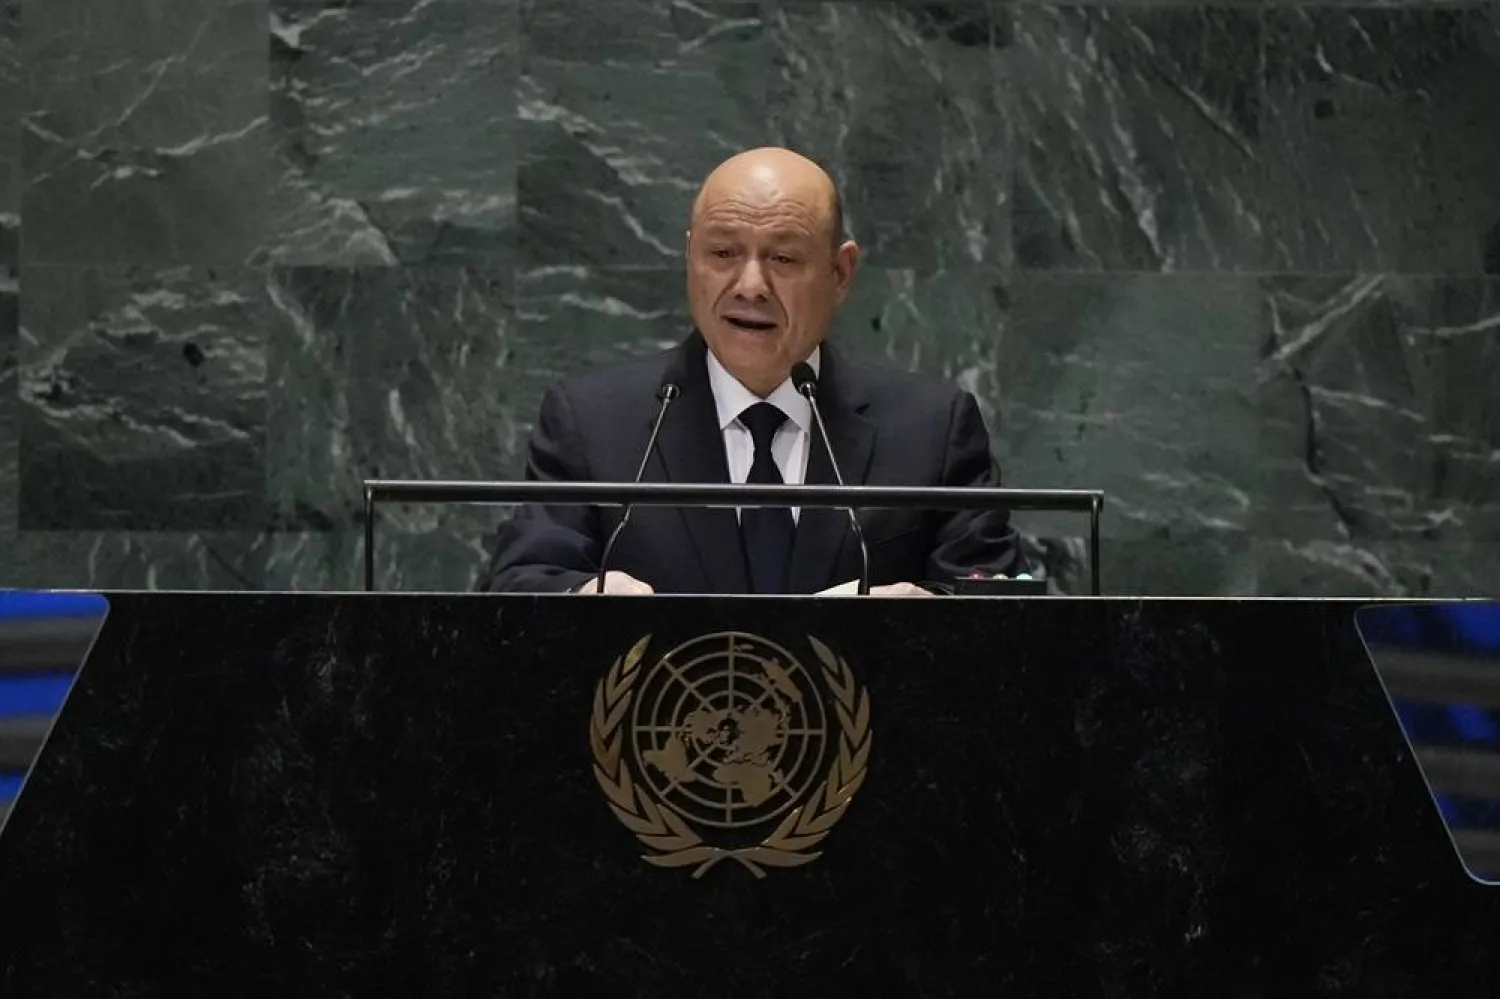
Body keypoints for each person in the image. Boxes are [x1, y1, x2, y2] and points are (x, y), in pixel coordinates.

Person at [478, 147, 1026, 595]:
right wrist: (581, 600)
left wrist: (932, 607)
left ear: (840, 273)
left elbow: (999, 597)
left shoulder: (932, 427)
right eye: (722, 253)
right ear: (690, 258)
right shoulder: (593, 421)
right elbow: (521, 583)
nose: (749, 285)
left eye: (783, 259)